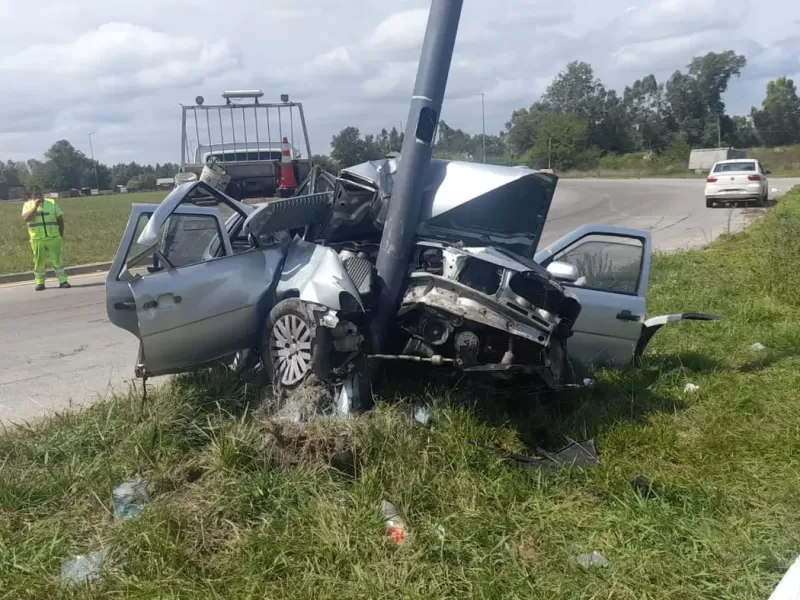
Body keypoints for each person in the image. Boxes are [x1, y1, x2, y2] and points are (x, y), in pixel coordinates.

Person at [21, 186, 71, 291]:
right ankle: (40, 282)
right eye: (36, 194)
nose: (39, 195)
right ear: (31, 195)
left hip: (53, 237)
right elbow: (26, 219)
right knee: (39, 262)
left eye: (40, 193)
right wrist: (35, 207)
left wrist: (60, 235)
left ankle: (63, 280)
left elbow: (60, 220)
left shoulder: (52, 203)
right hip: (37, 239)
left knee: (57, 261)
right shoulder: (27, 205)